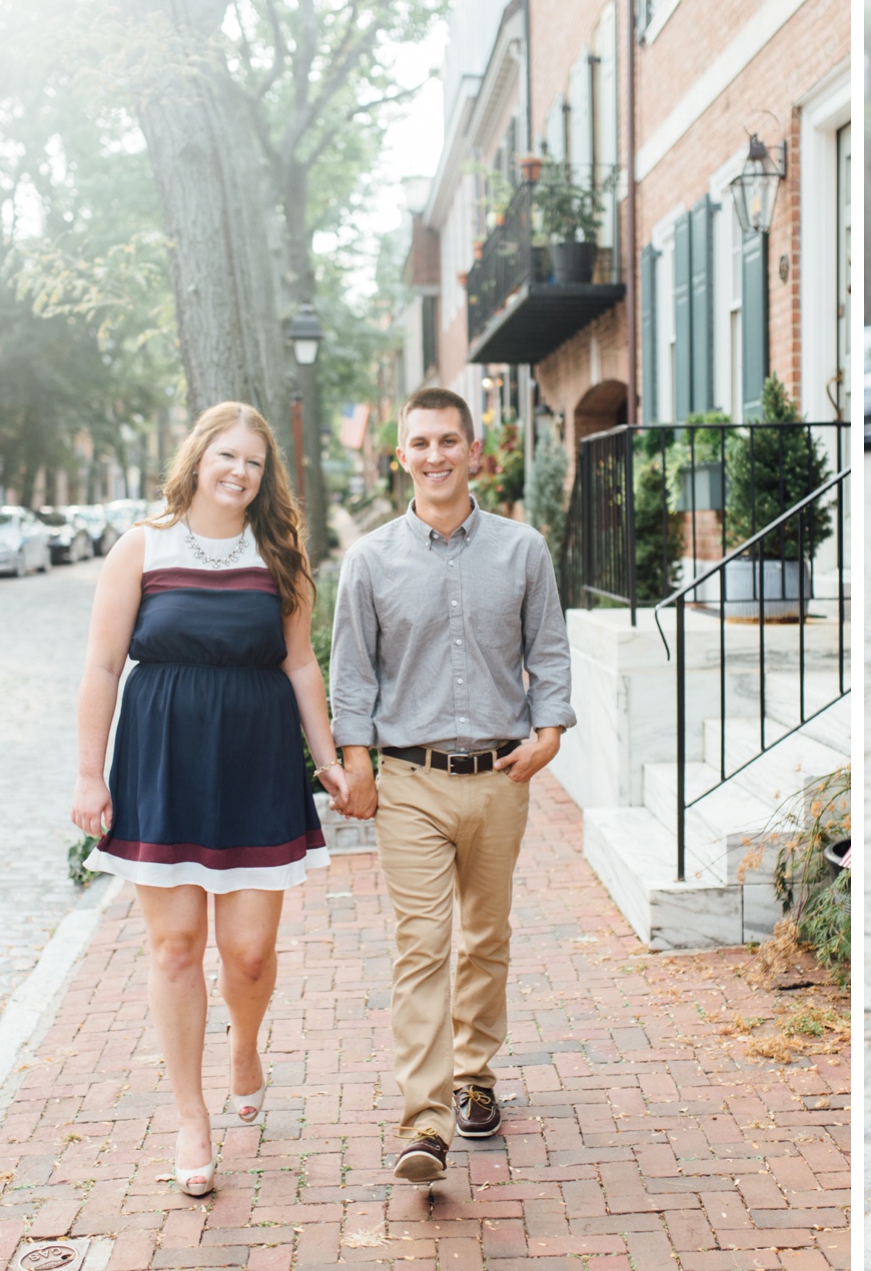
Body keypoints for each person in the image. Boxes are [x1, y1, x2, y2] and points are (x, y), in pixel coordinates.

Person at [71, 402, 358, 1198]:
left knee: (251, 951)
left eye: (254, 463)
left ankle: (245, 1044)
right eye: (226, 455)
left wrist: (327, 762)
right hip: (161, 757)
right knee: (173, 946)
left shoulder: (281, 555)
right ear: (199, 457)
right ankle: (189, 1113)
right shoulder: (142, 546)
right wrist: (90, 774)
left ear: (266, 478)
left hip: (255, 759)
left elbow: (301, 665)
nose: (239, 472)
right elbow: (100, 667)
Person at [327, 386, 575, 1184]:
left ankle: (475, 1078)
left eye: (447, 442)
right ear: (401, 455)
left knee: (486, 939)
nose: (434, 456)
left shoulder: (522, 550)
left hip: (502, 775)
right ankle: (425, 1123)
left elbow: (551, 649)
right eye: (419, 443)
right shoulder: (369, 561)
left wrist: (550, 733)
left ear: (476, 453)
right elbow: (351, 673)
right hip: (410, 782)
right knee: (421, 947)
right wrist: (357, 760)